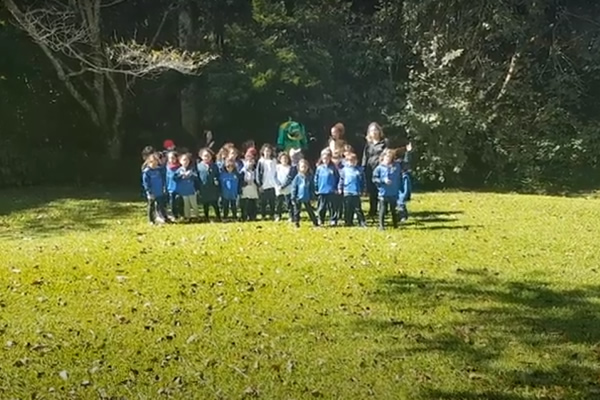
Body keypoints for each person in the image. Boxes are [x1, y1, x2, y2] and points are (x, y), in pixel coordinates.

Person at [362, 122, 388, 219]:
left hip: (381, 169)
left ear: (379, 131)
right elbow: (365, 156)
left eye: (376, 130)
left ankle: (384, 210)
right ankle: (372, 210)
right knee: (372, 191)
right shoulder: (368, 144)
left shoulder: (384, 142)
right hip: (370, 169)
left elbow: (387, 154)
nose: (374, 132)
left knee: (382, 190)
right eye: (372, 130)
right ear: (369, 133)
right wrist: (363, 167)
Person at [372, 149, 402, 230]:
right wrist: (383, 181)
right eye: (387, 157)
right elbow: (374, 179)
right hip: (383, 192)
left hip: (393, 192)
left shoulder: (396, 166)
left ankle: (395, 225)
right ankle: (381, 226)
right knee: (382, 209)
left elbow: (399, 176)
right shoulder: (379, 168)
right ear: (383, 157)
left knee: (393, 209)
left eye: (390, 157)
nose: (388, 159)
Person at [338, 153, 366, 227]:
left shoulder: (359, 170)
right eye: (349, 160)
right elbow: (341, 180)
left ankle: (362, 222)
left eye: (353, 160)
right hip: (347, 191)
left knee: (358, 208)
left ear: (356, 161)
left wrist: (363, 190)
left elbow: (363, 181)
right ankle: (348, 221)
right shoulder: (344, 170)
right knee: (347, 208)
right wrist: (340, 188)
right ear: (346, 161)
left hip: (356, 191)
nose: (351, 162)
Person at [314, 148, 340, 226]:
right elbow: (316, 179)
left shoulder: (333, 168)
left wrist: (336, 188)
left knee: (332, 207)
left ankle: (333, 219)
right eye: (324, 158)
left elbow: (337, 178)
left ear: (330, 158)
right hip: (322, 190)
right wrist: (316, 188)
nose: (325, 160)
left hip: (331, 190)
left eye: (327, 158)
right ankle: (321, 219)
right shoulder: (319, 168)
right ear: (321, 158)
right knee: (321, 206)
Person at [142, 153, 168, 224]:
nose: (154, 164)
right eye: (152, 162)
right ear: (149, 162)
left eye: (156, 162)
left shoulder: (159, 170)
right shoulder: (147, 172)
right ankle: (151, 220)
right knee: (151, 206)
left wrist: (163, 188)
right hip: (152, 192)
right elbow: (146, 183)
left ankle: (162, 217)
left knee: (161, 205)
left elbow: (163, 179)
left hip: (159, 191)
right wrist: (149, 192)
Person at [291, 159, 318, 228]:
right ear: (299, 168)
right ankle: (296, 223)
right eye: (302, 167)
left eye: (305, 167)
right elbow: (294, 187)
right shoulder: (297, 177)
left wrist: (313, 196)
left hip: (307, 197)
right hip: (298, 197)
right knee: (297, 211)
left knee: (310, 210)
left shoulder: (310, 177)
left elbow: (312, 187)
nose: (304, 168)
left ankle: (315, 222)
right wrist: (293, 197)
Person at [196, 148, 221, 222]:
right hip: (203, 187)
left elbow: (217, 175)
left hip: (213, 187)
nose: (206, 158)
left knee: (215, 203)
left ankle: (218, 217)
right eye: (205, 156)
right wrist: (197, 188)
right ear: (201, 156)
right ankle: (206, 217)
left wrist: (217, 182)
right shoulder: (199, 166)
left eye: (208, 156)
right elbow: (197, 177)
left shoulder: (214, 166)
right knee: (205, 204)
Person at [175, 153, 199, 222]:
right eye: (183, 160)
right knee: (186, 204)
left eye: (187, 160)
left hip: (191, 190)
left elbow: (196, 177)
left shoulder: (192, 169)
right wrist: (181, 175)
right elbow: (175, 178)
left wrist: (190, 174)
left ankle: (196, 216)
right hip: (184, 190)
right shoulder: (179, 170)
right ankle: (187, 216)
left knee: (194, 204)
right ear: (180, 161)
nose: (185, 162)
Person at [257, 144, 278, 220]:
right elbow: (258, 173)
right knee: (263, 202)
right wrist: (259, 185)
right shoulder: (261, 161)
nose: (267, 152)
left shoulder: (274, 161)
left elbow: (276, 172)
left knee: (272, 201)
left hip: (272, 184)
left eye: (269, 151)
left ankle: (272, 215)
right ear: (263, 152)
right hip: (264, 184)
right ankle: (263, 215)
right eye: (266, 151)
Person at [240, 153, 259, 221]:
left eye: (252, 161)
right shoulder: (243, 171)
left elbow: (257, 179)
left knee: (253, 202)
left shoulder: (255, 171)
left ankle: (253, 216)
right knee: (245, 203)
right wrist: (245, 183)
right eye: (249, 161)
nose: (250, 163)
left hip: (253, 188)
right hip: (245, 188)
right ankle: (244, 216)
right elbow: (241, 180)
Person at [274, 152, 293, 222]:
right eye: (282, 158)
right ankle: (278, 216)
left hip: (287, 188)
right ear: (280, 159)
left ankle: (291, 216)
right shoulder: (277, 167)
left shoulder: (290, 168)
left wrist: (283, 186)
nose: (284, 160)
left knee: (289, 203)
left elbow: (289, 178)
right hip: (279, 188)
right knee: (278, 203)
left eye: (286, 158)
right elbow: (275, 177)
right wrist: (279, 185)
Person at [165, 151, 182, 220]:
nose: (171, 160)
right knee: (172, 202)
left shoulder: (180, 167)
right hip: (170, 188)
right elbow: (166, 178)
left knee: (179, 201)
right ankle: (174, 215)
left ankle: (181, 214)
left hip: (179, 188)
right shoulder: (167, 167)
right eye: (170, 158)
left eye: (173, 158)